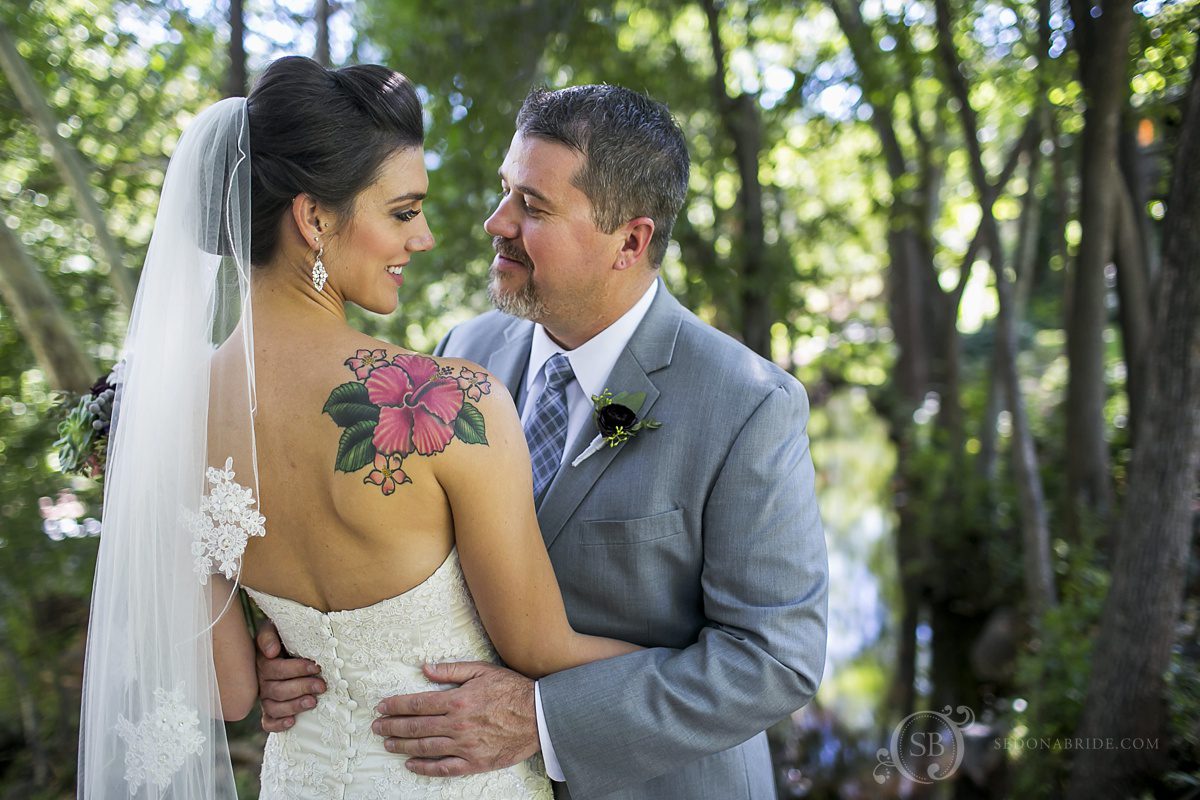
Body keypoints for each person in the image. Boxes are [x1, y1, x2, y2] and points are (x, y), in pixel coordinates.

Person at [77, 57, 646, 799]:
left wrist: (272, 653)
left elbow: (232, 695)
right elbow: (538, 647)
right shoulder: (450, 402)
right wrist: (706, 666)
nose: (427, 238)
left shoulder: (164, 417)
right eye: (404, 212)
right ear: (313, 218)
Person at [258, 84, 829, 800]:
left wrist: (545, 719)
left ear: (631, 240)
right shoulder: (461, 354)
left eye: (533, 206)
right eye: (505, 191)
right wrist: (298, 652)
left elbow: (775, 662)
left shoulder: (748, 406)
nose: (496, 222)